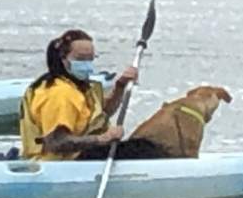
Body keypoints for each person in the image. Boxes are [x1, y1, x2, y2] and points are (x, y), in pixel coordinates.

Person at [19, 29, 162, 161]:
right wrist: (102, 139)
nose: (87, 64)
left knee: (143, 146)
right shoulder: (59, 93)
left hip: (80, 155)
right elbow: (56, 142)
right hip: (60, 162)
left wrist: (120, 86)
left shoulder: (79, 87)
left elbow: (103, 114)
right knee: (144, 151)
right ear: (63, 59)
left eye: (90, 59)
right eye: (81, 59)